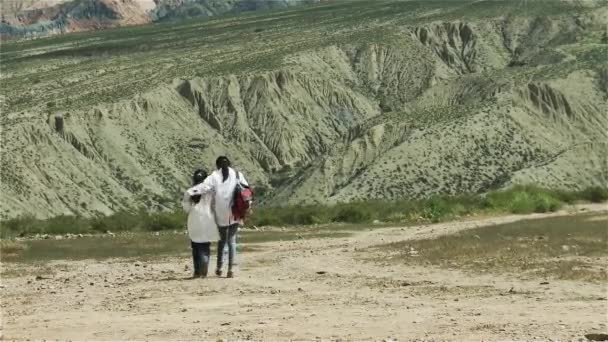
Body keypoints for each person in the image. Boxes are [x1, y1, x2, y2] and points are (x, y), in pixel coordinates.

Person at [189, 156, 249, 278]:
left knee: (222, 241)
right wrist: (248, 207)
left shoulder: (214, 176)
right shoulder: (237, 174)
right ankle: (231, 269)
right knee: (232, 241)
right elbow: (246, 191)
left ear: (217, 166)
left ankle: (219, 267)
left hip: (221, 214)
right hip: (235, 213)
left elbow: (202, 187)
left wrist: (191, 193)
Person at [182, 169, 219, 278]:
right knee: (204, 246)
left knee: (195, 246)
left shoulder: (190, 192)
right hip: (208, 219)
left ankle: (197, 271)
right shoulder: (211, 190)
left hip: (194, 219)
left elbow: (186, 208)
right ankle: (203, 270)